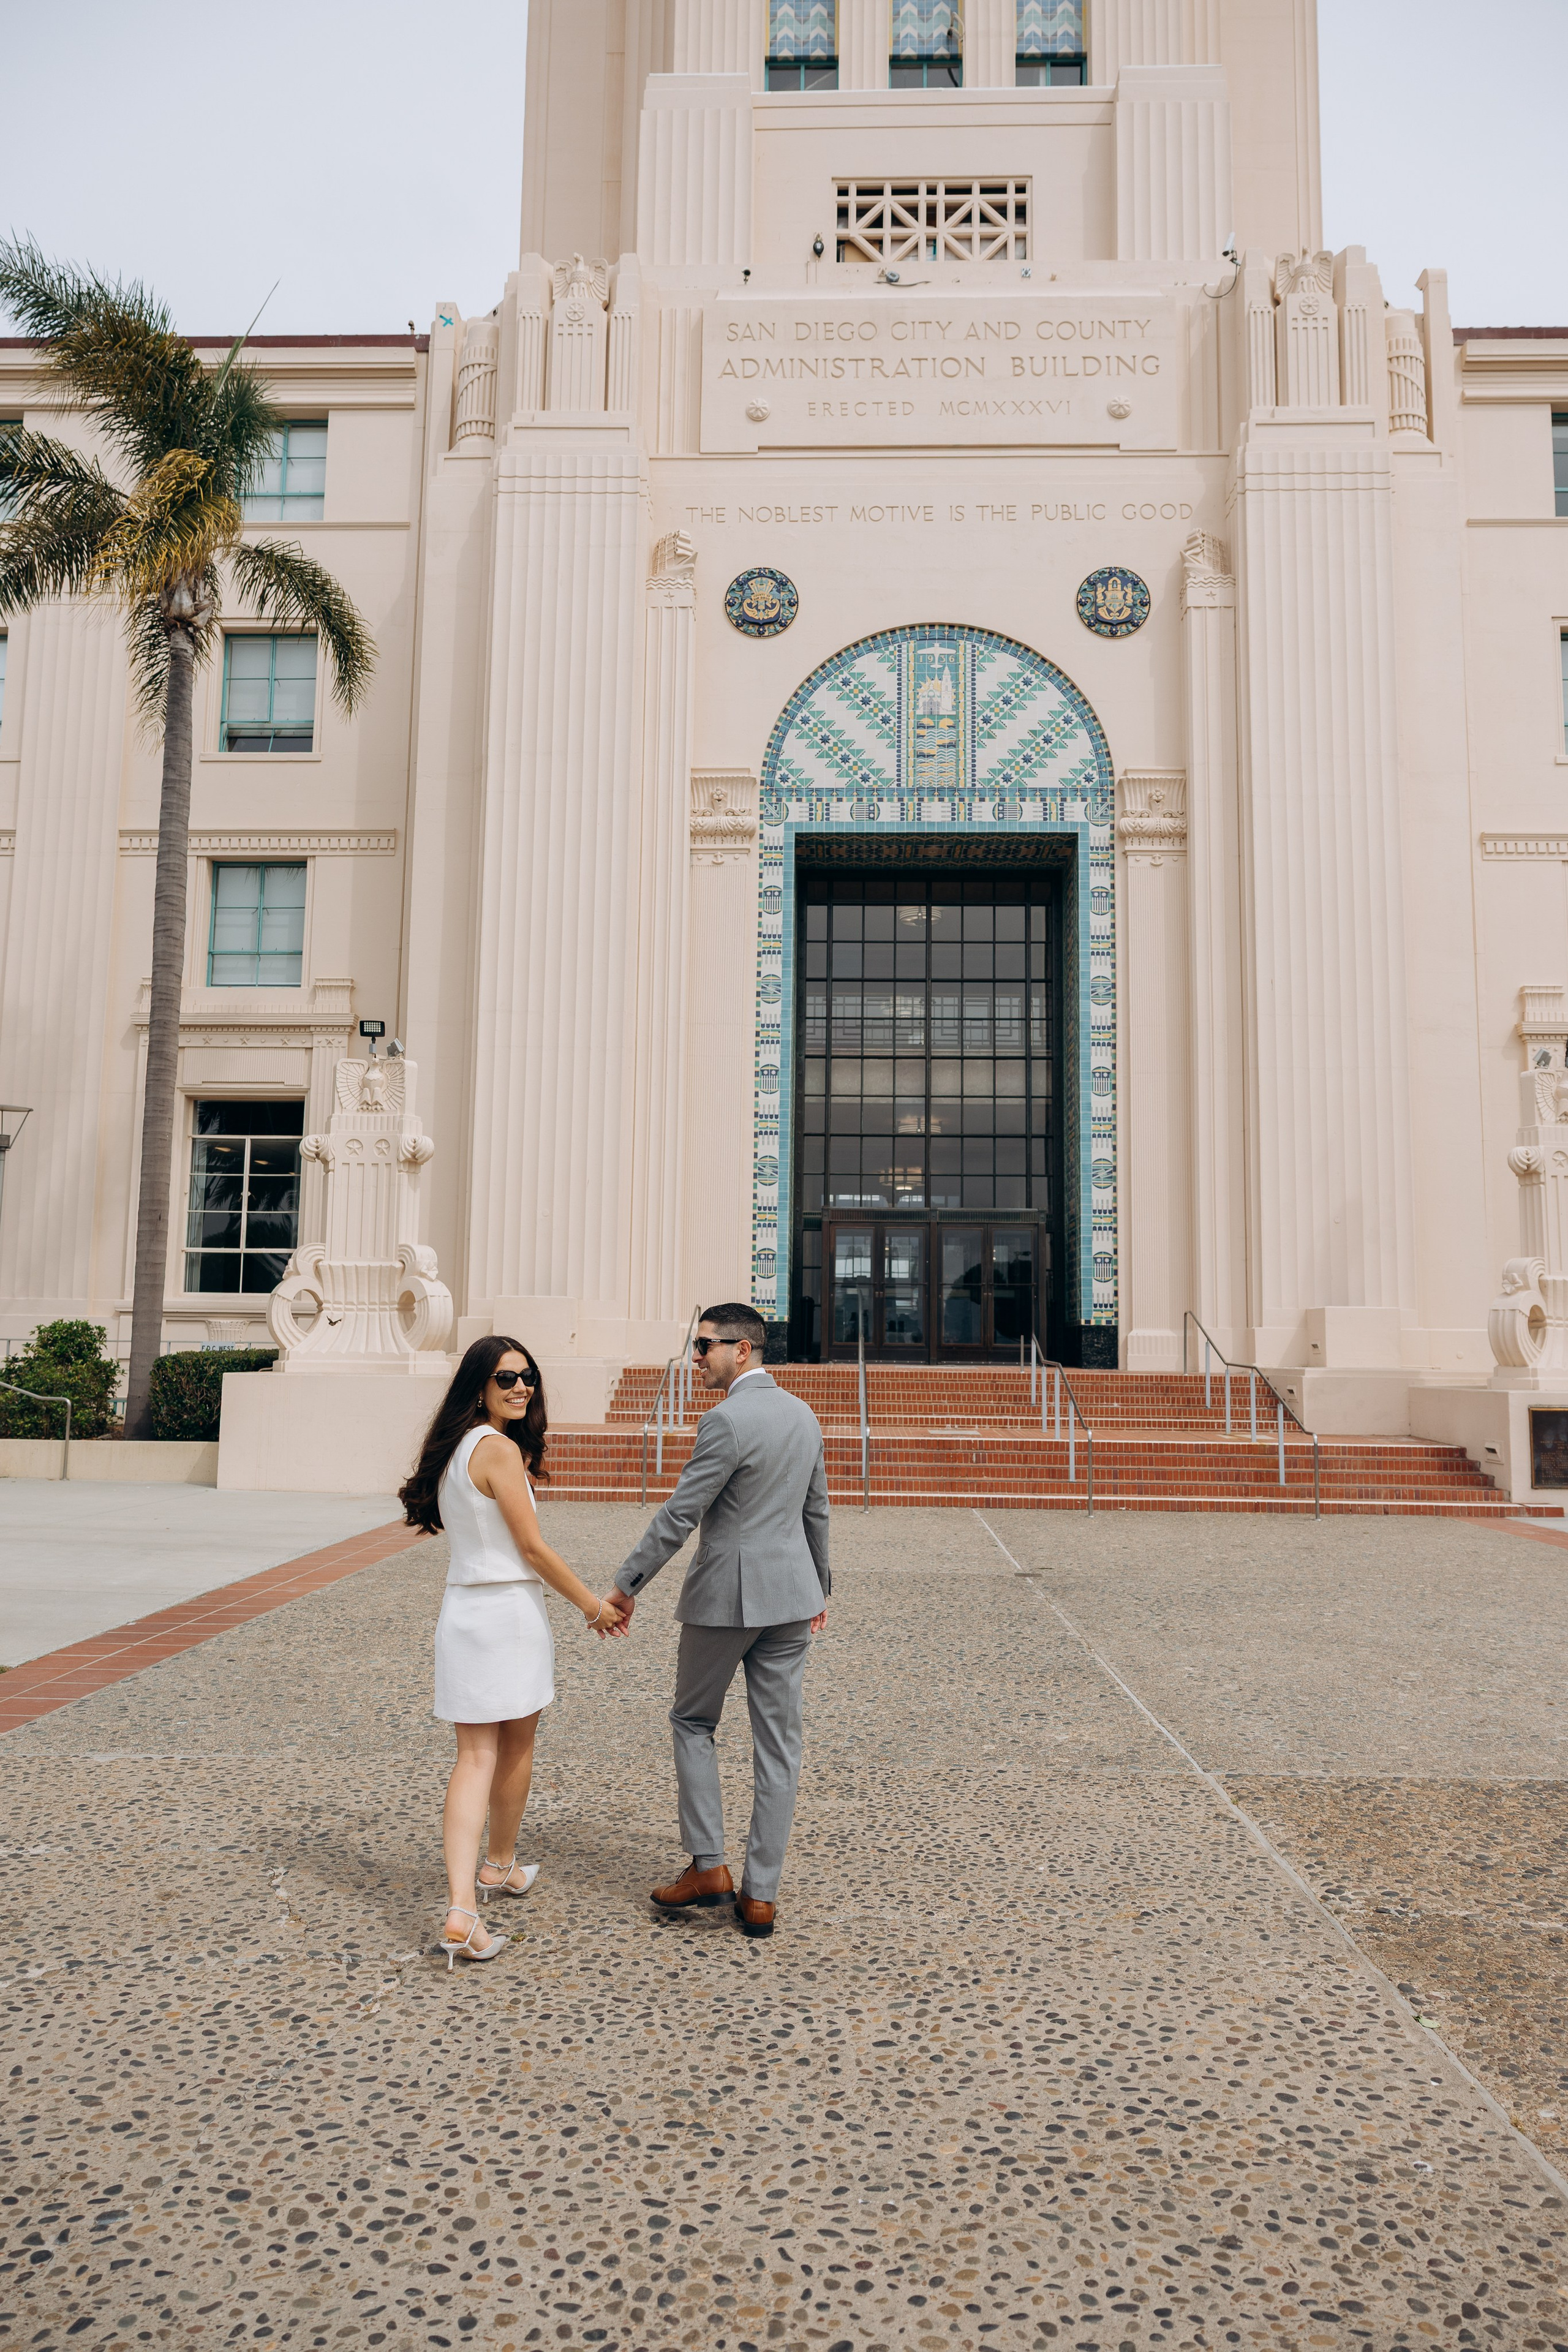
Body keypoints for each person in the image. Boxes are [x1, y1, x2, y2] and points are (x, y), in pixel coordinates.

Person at [400, 1335, 629, 1968]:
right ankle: (478, 1887)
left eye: (527, 1376)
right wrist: (592, 1605)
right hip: (507, 1614)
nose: (521, 1387)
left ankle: (473, 1893)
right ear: (479, 1385)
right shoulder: (497, 1449)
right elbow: (532, 1549)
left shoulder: (455, 1447)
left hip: (464, 1612)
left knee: (473, 1757)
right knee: (514, 1748)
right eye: (506, 1379)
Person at [612, 1302, 830, 1939]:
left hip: (727, 1600)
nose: (696, 1357)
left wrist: (628, 1584)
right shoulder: (803, 1415)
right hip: (792, 1597)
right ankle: (760, 1896)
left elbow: (680, 1514)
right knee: (779, 1746)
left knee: (691, 1720)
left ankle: (709, 1867)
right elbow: (817, 1511)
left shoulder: (726, 1420)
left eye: (705, 1345)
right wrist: (821, 1586)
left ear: (743, 1348)